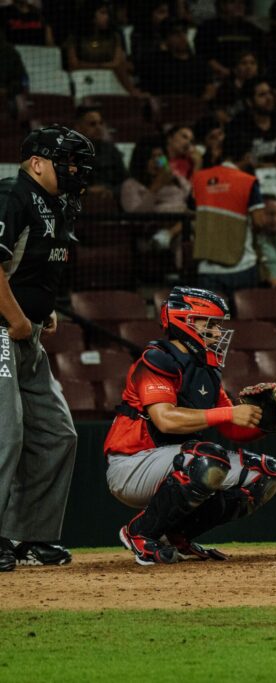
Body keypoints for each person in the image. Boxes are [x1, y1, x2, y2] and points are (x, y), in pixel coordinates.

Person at [103, 287, 276, 565]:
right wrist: (229, 414)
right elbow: (165, 418)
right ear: (183, 321)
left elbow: (233, 429)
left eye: (217, 325)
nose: (215, 332)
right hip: (132, 464)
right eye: (208, 324)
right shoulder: (156, 360)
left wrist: (263, 421)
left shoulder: (207, 371)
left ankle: (175, 536)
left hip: (175, 461)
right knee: (208, 458)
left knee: (264, 473)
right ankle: (139, 533)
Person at [0, 126, 95, 571]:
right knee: (6, 434)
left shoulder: (57, 204)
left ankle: (32, 538)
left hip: (26, 334)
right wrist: (18, 317)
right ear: (37, 162)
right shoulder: (11, 194)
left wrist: (42, 309)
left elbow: (32, 265)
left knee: (57, 434)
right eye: (68, 163)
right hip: (3, 331)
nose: (76, 172)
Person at [191, 135, 265, 302]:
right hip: (243, 265)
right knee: (245, 325)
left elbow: (191, 205)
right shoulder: (249, 181)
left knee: (211, 326)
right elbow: (259, 222)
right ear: (246, 157)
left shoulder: (200, 178)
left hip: (208, 268)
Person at [121, 137, 190, 254]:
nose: (157, 161)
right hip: (151, 231)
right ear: (142, 160)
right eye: (152, 157)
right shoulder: (131, 185)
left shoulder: (177, 180)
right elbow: (137, 217)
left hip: (181, 226)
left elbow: (192, 200)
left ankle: (169, 234)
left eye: (160, 156)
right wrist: (156, 187)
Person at [65, 0, 140, 97]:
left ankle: (132, 93)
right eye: (103, 13)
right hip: (84, 80)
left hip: (111, 81)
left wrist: (89, 65)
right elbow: (73, 65)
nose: (107, 17)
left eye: (108, 13)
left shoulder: (114, 36)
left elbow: (117, 63)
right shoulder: (75, 38)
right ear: (90, 14)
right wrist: (104, 65)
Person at [224, 77, 276, 165]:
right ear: (249, 101)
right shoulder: (237, 125)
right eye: (262, 95)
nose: (269, 98)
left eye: (270, 93)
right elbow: (231, 164)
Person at [136, 17, 216, 99]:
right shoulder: (154, 63)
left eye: (184, 32)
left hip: (195, 107)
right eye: (175, 33)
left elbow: (209, 88)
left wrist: (201, 101)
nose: (182, 36)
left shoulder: (199, 62)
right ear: (165, 38)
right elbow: (145, 91)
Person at [193, 0, 264, 82]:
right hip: (219, 78)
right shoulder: (208, 28)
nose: (239, 6)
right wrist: (228, 73)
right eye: (233, 2)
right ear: (222, 5)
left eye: (242, 3)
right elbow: (205, 56)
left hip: (249, 78)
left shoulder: (252, 30)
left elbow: (260, 55)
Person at [71, 106, 127, 197]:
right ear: (78, 128)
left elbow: (125, 183)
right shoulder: (69, 152)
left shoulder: (111, 150)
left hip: (110, 203)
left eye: (101, 123)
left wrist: (111, 191)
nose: (99, 127)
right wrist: (88, 191)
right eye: (92, 124)